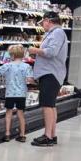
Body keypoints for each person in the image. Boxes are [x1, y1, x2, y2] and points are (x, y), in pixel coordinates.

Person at [27, 11, 68, 147]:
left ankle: (48, 136)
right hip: (50, 73)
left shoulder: (57, 33)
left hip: (51, 74)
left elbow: (51, 52)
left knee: (47, 106)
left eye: (43, 22)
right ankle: (52, 135)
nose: (42, 25)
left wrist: (35, 50)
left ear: (48, 21)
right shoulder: (53, 33)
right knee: (51, 106)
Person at [0, 44, 33, 142]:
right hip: (21, 94)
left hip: (10, 93)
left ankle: (7, 134)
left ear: (12, 56)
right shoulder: (27, 66)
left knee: (8, 113)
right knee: (20, 114)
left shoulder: (8, 65)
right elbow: (29, 79)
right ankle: (22, 135)